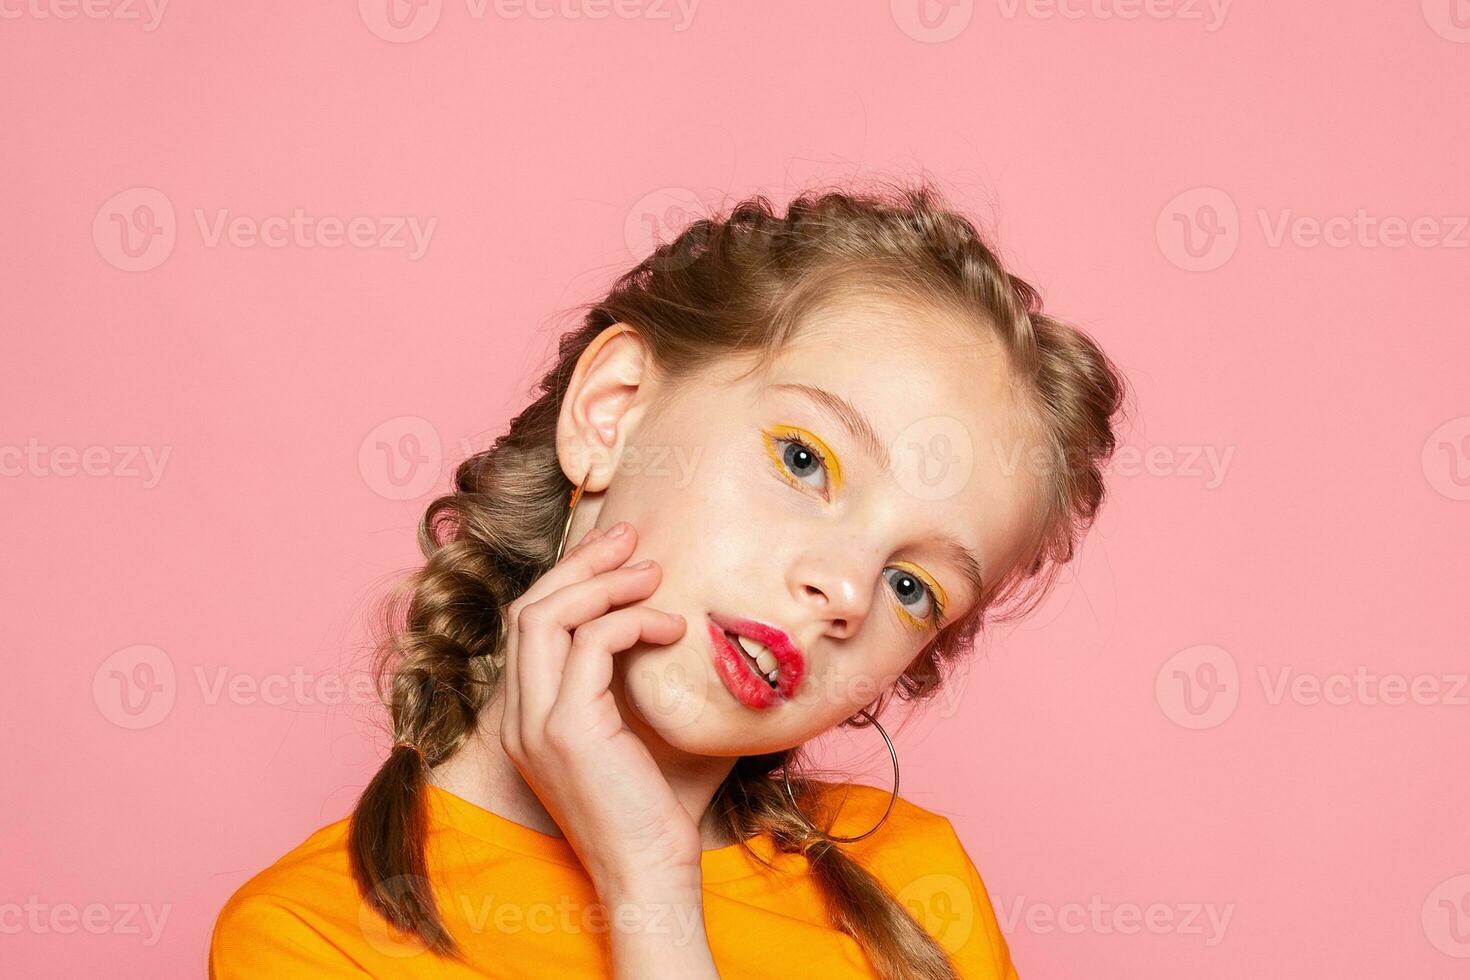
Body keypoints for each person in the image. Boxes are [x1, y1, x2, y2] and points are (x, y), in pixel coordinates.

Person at [208, 181, 1128, 979]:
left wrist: (651, 885)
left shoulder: (920, 897)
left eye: (912, 587)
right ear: (612, 415)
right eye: (805, 460)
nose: (846, 591)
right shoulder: (313, 941)